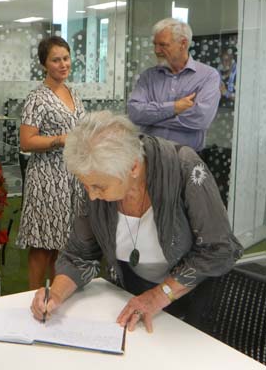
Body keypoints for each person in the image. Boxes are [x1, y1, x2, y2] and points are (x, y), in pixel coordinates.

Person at [30, 110, 242, 333]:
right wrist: (55, 293)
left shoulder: (184, 168)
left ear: (133, 167)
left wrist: (160, 295)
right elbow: (79, 255)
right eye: (86, 186)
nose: (91, 196)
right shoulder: (98, 177)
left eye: (99, 187)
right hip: (132, 302)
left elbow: (219, 249)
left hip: (194, 309)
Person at [16, 36, 85, 289]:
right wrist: (59, 140)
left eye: (66, 58)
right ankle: (31, 298)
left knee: (64, 243)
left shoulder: (73, 93)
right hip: (46, 178)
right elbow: (26, 142)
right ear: (44, 64)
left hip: (71, 177)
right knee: (42, 243)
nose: (63, 64)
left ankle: (54, 298)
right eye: (56, 60)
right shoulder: (37, 98)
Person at [127, 18, 221, 152]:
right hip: (149, 156)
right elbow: (134, 113)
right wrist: (175, 107)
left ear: (183, 44)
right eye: (155, 44)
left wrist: (152, 118)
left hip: (186, 160)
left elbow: (200, 119)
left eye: (163, 45)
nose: (156, 50)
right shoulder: (148, 76)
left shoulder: (208, 76)